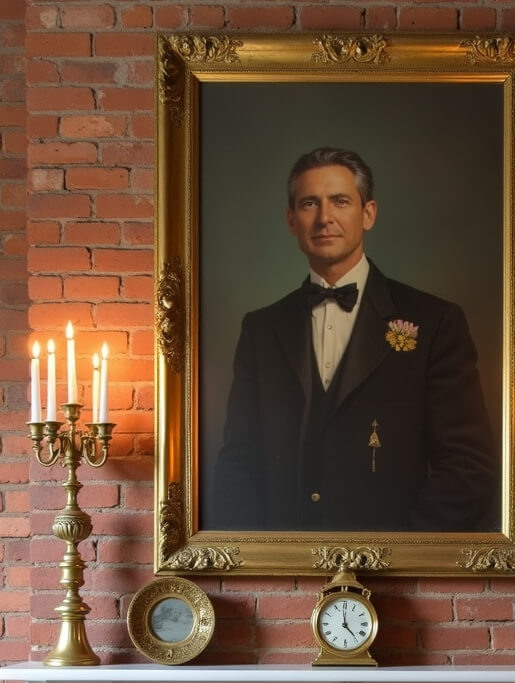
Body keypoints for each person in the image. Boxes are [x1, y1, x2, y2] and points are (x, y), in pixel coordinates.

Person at [212, 147, 498, 533]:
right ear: (291, 220)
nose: (325, 217)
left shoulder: (435, 322)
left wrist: (403, 555)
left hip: (396, 569)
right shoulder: (261, 329)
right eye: (310, 203)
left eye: (340, 201)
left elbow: (468, 469)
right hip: (281, 568)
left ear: (369, 214)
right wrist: (260, 565)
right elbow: (237, 467)